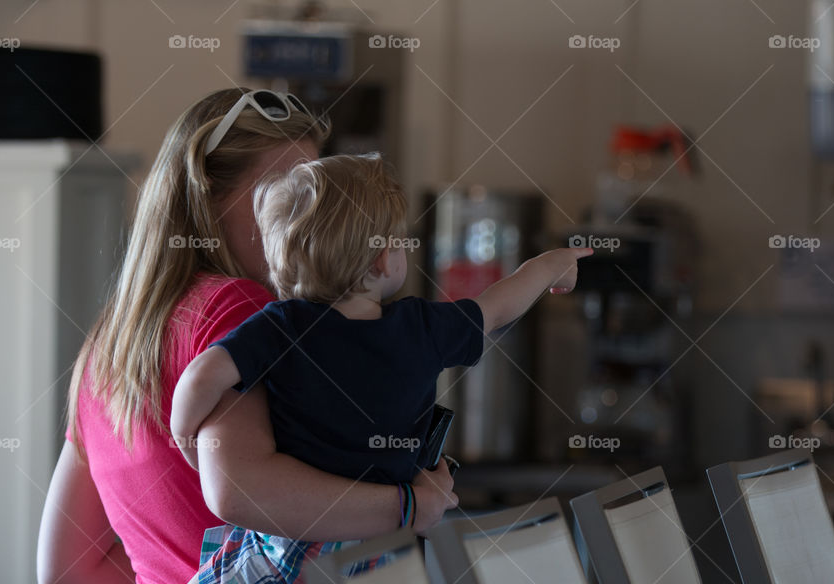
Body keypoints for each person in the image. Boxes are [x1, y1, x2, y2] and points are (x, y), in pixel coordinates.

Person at [37, 89, 458, 584]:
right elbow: (249, 490)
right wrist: (408, 505)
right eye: (282, 189)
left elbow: (67, 569)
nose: (309, 215)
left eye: (315, 189)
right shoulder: (247, 313)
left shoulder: (108, 344)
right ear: (206, 197)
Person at [171, 153, 593, 581]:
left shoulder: (280, 326)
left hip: (294, 543)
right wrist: (550, 265)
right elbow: (499, 309)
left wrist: (186, 439)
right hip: (381, 547)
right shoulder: (421, 328)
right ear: (382, 260)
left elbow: (203, 376)